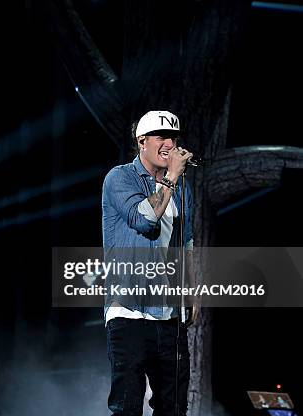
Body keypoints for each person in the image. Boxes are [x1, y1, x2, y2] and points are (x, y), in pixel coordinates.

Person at [101, 110, 197, 416]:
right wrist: (170, 179)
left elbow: (187, 244)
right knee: (128, 406)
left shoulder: (183, 190)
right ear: (142, 141)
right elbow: (144, 218)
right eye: (161, 137)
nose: (170, 143)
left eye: (174, 138)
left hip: (169, 314)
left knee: (174, 408)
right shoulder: (119, 178)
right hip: (129, 310)